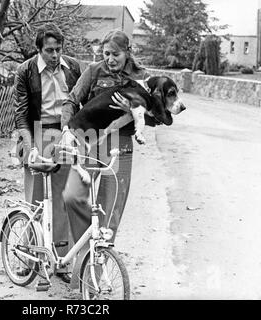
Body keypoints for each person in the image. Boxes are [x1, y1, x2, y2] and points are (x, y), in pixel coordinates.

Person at [61, 30, 156, 288]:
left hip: (121, 147)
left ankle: (90, 279)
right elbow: (71, 101)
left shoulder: (141, 77)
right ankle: (80, 255)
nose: (110, 59)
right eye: (106, 54)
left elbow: (156, 116)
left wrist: (133, 111)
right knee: (72, 196)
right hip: (90, 142)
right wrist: (67, 129)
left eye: (116, 54)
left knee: (110, 213)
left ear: (128, 53)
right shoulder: (93, 71)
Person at [13, 23, 81, 283]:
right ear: (39, 49)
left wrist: (76, 135)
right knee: (35, 200)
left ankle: (61, 261)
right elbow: (21, 114)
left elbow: (80, 102)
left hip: (65, 134)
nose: (54, 55)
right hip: (37, 131)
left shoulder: (73, 67)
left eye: (58, 50)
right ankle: (29, 259)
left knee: (63, 198)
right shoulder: (26, 70)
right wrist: (29, 148)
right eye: (49, 50)